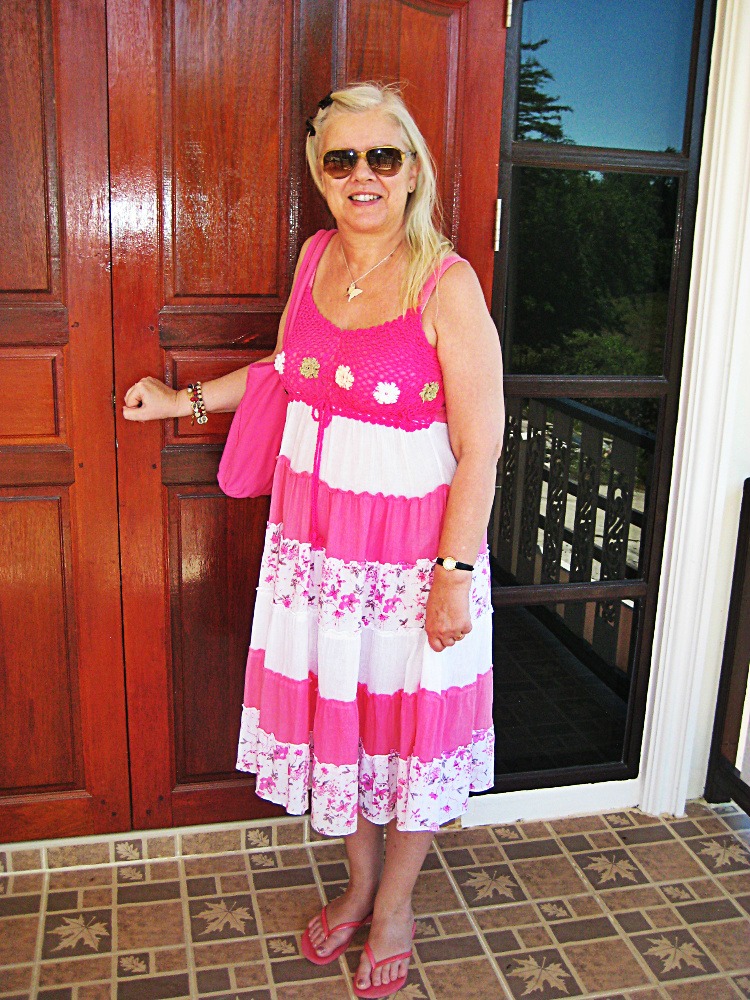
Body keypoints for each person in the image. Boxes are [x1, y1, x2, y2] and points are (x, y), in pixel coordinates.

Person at [124, 82, 504, 999]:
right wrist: (182, 401)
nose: (362, 174)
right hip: (318, 546)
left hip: (412, 557)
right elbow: (287, 369)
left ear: (412, 172)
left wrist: (453, 575)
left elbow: (482, 441)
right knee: (344, 715)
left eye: (383, 156)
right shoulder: (316, 257)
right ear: (321, 174)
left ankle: (397, 904)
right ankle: (360, 883)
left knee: (408, 728)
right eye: (342, 159)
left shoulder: (447, 282)